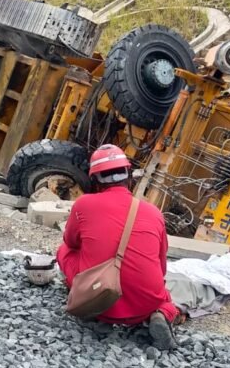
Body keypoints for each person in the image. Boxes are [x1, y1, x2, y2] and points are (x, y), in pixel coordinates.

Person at [56, 145, 186, 349]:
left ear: (95, 180)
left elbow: (71, 243)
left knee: (64, 251)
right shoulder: (154, 213)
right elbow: (161, 269)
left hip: (97, 298)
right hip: (144, 305)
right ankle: (163, 314)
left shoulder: (84, 204)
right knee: (164, 296)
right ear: (129, 176)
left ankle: (82, 296)